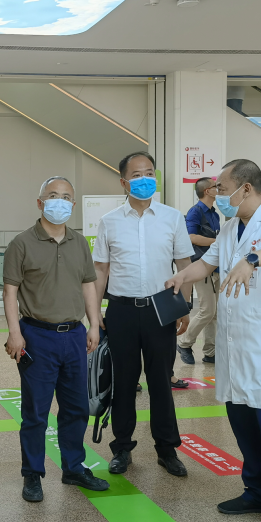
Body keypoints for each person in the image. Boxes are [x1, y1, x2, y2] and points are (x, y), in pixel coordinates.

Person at [166, 159, 261, 522]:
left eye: (222, 187)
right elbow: (206, 265)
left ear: (246, 188)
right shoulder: (230, 227)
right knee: (244, 426)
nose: (218, 194)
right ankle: (258, 492)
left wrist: (253, 259)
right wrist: (181, 276)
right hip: (236, 348)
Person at [4, 176, 110, 503]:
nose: (59, 201)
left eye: (66, 197)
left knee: (76, 407)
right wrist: (14, 332)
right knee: (36, 412)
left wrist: (94, 325)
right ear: (40, 202)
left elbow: (88, 284)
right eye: (53, 195)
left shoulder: (79, 243)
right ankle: (32, 474)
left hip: (74, 335)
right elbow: (10, 291)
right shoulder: (21, 243)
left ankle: (74, 467)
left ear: (73, 204)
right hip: (37, 336)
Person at [92, 152, 194, 478]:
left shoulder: (172, 217)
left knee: (161, 381)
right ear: (123, 182)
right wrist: (94, 315)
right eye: (136, 175)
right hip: (120, 311)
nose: (144, 179)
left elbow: (184, 264)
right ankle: (122, 448)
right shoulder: (109, 221)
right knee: (123, 382)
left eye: (149, 173)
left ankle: (167, 449)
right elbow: (100, 270)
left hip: (160, 310)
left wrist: (184, 306)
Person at [177, 177, 221, 366]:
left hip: (217, 266)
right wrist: (217, 242)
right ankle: (184, 343)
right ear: (207, 191)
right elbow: (191, 237)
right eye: (216, 187)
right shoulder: (195, 212)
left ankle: (210, 352)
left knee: (215, 313)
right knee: (207, 310)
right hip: (202, 266)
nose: (219, 190)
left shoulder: (215, 214)